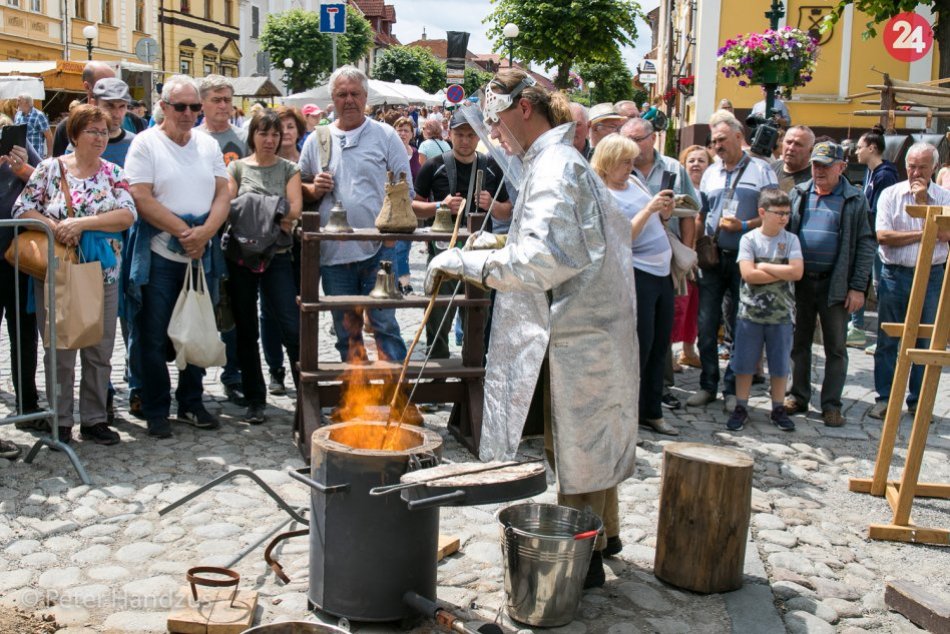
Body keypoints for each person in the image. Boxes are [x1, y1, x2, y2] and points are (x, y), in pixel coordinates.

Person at [425, 69, 639, 588]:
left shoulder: (556, 166)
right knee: (586, 435)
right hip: (587, 321)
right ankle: (604, 532)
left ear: (525, 109)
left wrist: (466, 263)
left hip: (579, 328)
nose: (494, 133)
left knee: (578, 439)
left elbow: (544, 260)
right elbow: (557, 240)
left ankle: (582, 556)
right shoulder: (555, 160)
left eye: (497, 121)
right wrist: (491, 245)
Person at [13, 104, 137, 446]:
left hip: (103, 271)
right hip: (59, 269)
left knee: (99, 348)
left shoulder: (113, 172)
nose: (100, 137)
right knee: (60, 348)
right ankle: (61, 419)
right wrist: (55, 227)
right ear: (74, 135)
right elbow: (22, 207)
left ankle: (95, 419)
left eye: (104, 131)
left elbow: (128, 214)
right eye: (92, 131)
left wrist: (81, 224)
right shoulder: (50, 169)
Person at [124, 75, 232, 439]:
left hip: (200, 254)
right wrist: (185, 233)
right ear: (164, 107)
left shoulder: (206, 144)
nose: (189, 114)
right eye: (181, 106)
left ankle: (191, 401)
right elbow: (141, 197)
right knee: (152, 336)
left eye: (194, 107)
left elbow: (223, 192)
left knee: (198, 328)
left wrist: (205, 233)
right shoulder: (146, 143)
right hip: (160, 255)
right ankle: (156, 407)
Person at [298, 65, 410, 363]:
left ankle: (394, 397)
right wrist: (313, 188)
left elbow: (405, 191)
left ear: (365, 97)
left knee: (385, 326)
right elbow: (299, 189)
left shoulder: (385, 135)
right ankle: (355, 398)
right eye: (342, 94)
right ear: (332, 99)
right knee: (347, 330)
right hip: (334, 255)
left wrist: (390, 241)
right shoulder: (317, 139)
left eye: (355, 94)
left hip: (378, 252)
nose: (349, 100)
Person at [688, 110, 778, 411]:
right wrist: (694, 250)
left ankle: (732, 389)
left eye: (722, 140)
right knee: (706, 323)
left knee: (741, 325)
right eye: (714, 141)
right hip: (713, 259)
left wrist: (744, 226)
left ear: (740, 138)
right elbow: (701, 215)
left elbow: (773, 215)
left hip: (746, 259)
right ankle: (708, 385)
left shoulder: (762, 171)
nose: (717, 146)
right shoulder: (711, 173)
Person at [784, 142, 875, 427]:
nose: (819, 170)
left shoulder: (855, 199)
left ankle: (831, 404)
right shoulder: (798, 193)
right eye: (815, 165)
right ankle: (797, 395)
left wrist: (858, 287)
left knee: (836, 347)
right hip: (801, 283)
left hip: (835, 285)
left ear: (841, 166)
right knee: (798, 342)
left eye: (825, 165)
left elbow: (865, 245)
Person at [593, 134, 678, 436]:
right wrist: (650, 209)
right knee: (638, 348)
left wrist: (664, 211)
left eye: (632, 161)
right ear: (608, 162)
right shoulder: (602, 193)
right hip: (635, 273)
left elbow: (656, 223)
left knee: (659, 345)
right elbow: (622, 236)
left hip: (661, 272)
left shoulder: (635, 183)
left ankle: (651, 410)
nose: (631, 166)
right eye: (625, 161)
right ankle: (625, 416)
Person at [412, 110, 512, 359]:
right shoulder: (434, 166)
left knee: (477, 319)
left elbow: (506, 212)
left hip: (481, 256)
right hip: (443, 253)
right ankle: (438, 378)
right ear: (450, 134)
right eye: (459, 134)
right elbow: (415, 207)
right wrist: (440, 206)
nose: (465, 140)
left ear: (479, 137)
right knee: (437, 318)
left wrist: (493, 206)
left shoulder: (491, 166)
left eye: (470, 135)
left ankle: (471, 382)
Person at [225, 110, 302, 424]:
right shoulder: (238, 168)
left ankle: (304, 391)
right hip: (241, 256)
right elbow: (230, 207)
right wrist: (272, 209)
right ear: (252, 136)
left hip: (278, 256)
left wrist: (255, 207)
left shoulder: (289, 169)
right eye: (263, 134)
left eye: (275, 134)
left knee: (291, 325)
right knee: (246, 329)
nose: (269, 140)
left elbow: (294, 209)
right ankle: (255, 398)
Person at [869, 142, 950, 420]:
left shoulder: (944, 197)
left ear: (934, 168)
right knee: (889, 338)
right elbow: (883, 236)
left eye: (922, 167)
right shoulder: (891, 194)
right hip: (896, 274)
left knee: (925, 339)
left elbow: (947, 235)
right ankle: (885, 398)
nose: (916, 172)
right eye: (912, 166)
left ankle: (917, 400)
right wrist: (925, 234)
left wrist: (925, 202)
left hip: (932, 274)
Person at [622, 116, 699, 409]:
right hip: (634, 263)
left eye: (636, 140)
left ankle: (657, 394)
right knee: (641, 333)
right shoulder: (622, 173)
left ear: (652, 139)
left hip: (666, 258)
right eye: (626, 139)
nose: (631, 146)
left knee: (661, 332)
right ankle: (640, 400)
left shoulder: (672, 169)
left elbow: (690, 214)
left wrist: (686, 257)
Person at [727, 188, 803, 431]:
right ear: (763, 212)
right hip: (750, 314)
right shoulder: (749, 239)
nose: (783, 218)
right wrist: (778, 271)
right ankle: (741, 405)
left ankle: (778, 408)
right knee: (744, 362)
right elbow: (748, 275)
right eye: (778, 213)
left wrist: (763, 265)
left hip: (781, 314)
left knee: (780, 364)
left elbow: (797, 272)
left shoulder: (791, 240)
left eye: (787, 213)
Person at [196, 75, 247, 406]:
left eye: (227, 99)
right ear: (203, 103)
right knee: (198, 309)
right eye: (216, 99)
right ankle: (194, 380)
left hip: (236, 237)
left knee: (235, 311)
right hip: (199, 236)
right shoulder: (193, 139)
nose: (223, 105)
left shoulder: (242, 140)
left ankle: (234, 375)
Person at [0, 116, 42, 459]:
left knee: (24, 334)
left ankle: (28, 406)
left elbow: (46, 183)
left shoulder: (18, 144)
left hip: (19, 257)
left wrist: (22, 168)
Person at [849, 125, 899, 351]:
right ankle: (856, 328)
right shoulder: (870, 172)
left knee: (880, 288)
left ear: (872, 148)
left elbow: (880, 211)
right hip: (867, 236)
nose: (856, 152)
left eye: (859, 147)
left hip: (877, 239)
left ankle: (886, 338)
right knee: (859, 280)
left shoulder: (886, 175)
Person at [674, 145, 713, 369]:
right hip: (682, 251)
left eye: (701, 160)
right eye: (691, 161)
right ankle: (671, 352)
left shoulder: (711, 187)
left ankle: (689, 350)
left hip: (706, 254)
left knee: (695, 306)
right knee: (678, 304)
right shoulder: (681, 188)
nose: (696, 164)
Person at [393, 115, 422, 295]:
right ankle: (402, 282)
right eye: (399, 130)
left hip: (412, 207)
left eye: (406, 130)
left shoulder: (416, 153)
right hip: (394, 206)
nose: (402, 133)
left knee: (405, 246)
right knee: (399, 247)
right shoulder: (390, 151)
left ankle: (402, 281)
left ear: (412, 134)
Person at [771, 125, 815, 193]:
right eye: (788, 142)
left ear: (811, 150)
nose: (791, 148)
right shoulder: (770, 170)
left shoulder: (814, 179)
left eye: (798, 144)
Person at [14, 94, 52, 159]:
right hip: (21, 155)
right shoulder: (18, 115)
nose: (17, 103)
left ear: (26, 102)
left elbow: (49, 136)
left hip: (35, 156)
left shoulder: (39, 115)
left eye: (19, 100)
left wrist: (49, 155)